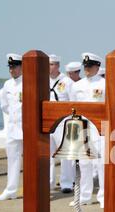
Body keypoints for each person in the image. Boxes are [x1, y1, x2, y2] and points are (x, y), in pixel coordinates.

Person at [70, 52, 105, 208]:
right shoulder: (77, 85)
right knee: (84, 164)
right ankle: (84, 196)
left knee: (101, 164)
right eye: (85, 66)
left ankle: (103, 196)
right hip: (83, 128)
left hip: (100, 128)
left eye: (90, 66)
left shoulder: (105, 84)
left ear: (97, 66)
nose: (87, 69)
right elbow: (72, 107)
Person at [0, 54, 23, 201]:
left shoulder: (28, 83)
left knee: (32, 161)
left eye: (15, 66)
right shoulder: (7, 85)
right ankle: (11, 190)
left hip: (27, 128)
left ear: (22, 67)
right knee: (12, 160)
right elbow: (5, 106)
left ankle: (34, 190)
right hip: (12, 128)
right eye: (10, 67)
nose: (12, 70)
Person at [48, 54, 75, 194]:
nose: (49, 67)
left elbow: (73, 102)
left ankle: (66, 183)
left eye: (52, 64)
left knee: (65, 154)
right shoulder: (43, 80)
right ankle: (49, 182)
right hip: (48, 122)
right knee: (48, 154)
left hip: (63, 122)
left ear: (57, 65)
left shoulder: (67, 81)